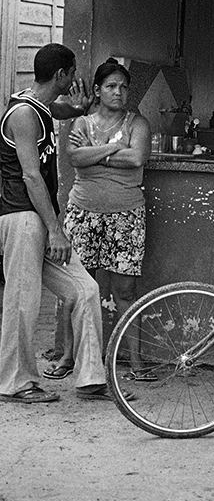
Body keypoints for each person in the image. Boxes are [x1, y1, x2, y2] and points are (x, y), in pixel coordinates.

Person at [0, 43, 128, 403]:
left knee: (84, 290)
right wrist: (55, 229)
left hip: (38, 218)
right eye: (72, 74)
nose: (74, 80)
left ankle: (90, 379)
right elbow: (30, 176)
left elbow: (55, 109)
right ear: (61, 75)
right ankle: (14, 383)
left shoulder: (37, 104)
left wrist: (78, 108)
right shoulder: (23, 115)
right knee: (22, 300)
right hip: (22, 217)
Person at [44, 59, 153, 382]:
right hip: (83, 213)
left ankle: (135, 360)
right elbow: (74, 157)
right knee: (77, 287)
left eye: (123, 87)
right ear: (97, 90)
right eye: (111, 86)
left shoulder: (138, 123)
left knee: (125, 290)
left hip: (126, 215)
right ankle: (69, 355)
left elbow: (137, 157)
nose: (118, 92)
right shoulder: (82, 123)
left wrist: (97, 153)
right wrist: (114, 148)